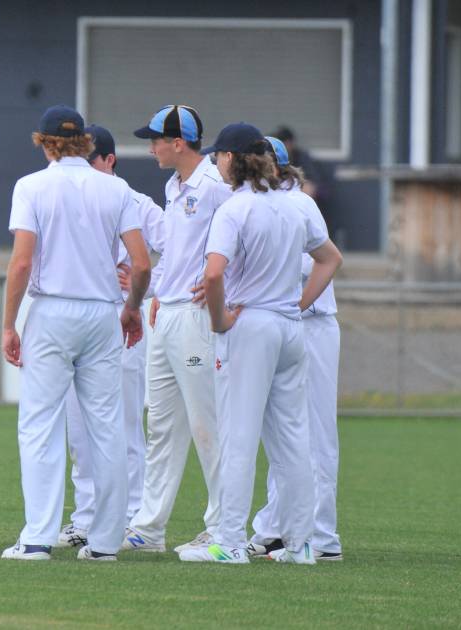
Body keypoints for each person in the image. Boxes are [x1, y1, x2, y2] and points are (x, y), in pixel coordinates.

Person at [178, 123, 341, 564]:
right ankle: (303, 544)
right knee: (294, 440)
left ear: (232, 158)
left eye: (218, 156)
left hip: (252, 327)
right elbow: (330, 259)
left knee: (239, 435)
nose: (215, 162)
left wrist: (220, 320)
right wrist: (299, 303)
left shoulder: (235, 209)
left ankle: (229, 543)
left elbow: (213, 274)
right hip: (290, 327)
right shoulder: (294, 205)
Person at [0, 105, 151, 561]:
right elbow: (141, 264)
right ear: (86, 143)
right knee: (107, 428)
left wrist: (9, 324)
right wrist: (131, 308)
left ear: (44, 143)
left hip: (52, 311)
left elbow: (23, 261)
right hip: (102, 312)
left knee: (40, 425)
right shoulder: (116, 188)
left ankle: (37, 539)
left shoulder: (31, 187)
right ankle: (104, 542)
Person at [124, 105, 231, 554]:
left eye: (157, 140)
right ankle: (149, 529)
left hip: (194, 318)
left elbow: (242, 234)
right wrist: (157, 295)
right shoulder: (174, 186)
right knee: (162, 424)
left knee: (207, 423)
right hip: (166, 312)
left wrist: (223, 286)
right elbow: (175, 248)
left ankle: (225, 525)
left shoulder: (214, 187)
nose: (151, 147)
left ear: (179, 143)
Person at [56, 124, 163, 549]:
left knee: (123, 423)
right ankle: (86, 516)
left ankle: (132, 514)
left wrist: (147, 287)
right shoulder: (67, 197)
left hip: (123, 322)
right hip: (79, 320)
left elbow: (182, 251)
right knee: (79, 426)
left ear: (109, 161)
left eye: (90, 158)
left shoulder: (136, 202)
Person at [248, 136, 343, 562]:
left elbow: (318, 261)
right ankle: (275, 528)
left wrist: (296, 304)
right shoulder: (266, 204)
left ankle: (321, 538)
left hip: (312, 324)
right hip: (288, 325)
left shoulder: (298, 205)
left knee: (314, 432)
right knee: (282, 433)